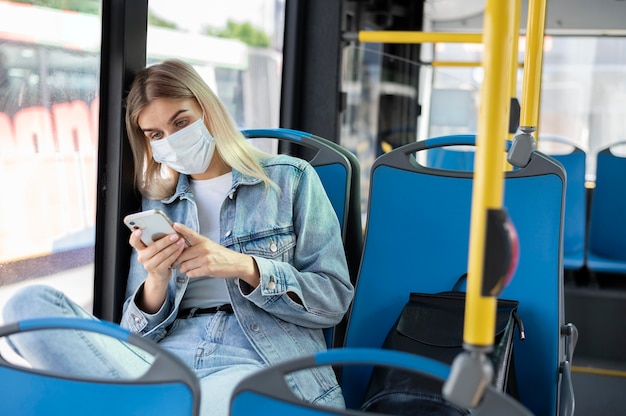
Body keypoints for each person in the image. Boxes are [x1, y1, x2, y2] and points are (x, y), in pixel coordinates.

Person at [3, 59, 354, 415]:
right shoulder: (157, 204)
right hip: (164, 355)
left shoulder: (290, 180)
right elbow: (134, 334)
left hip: (253, 355)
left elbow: (334, 299)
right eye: (155, 134)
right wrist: (156, 280)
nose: (171, 141)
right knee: (28, 305)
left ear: (206, 110)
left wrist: (243, 266)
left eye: (181, 122)